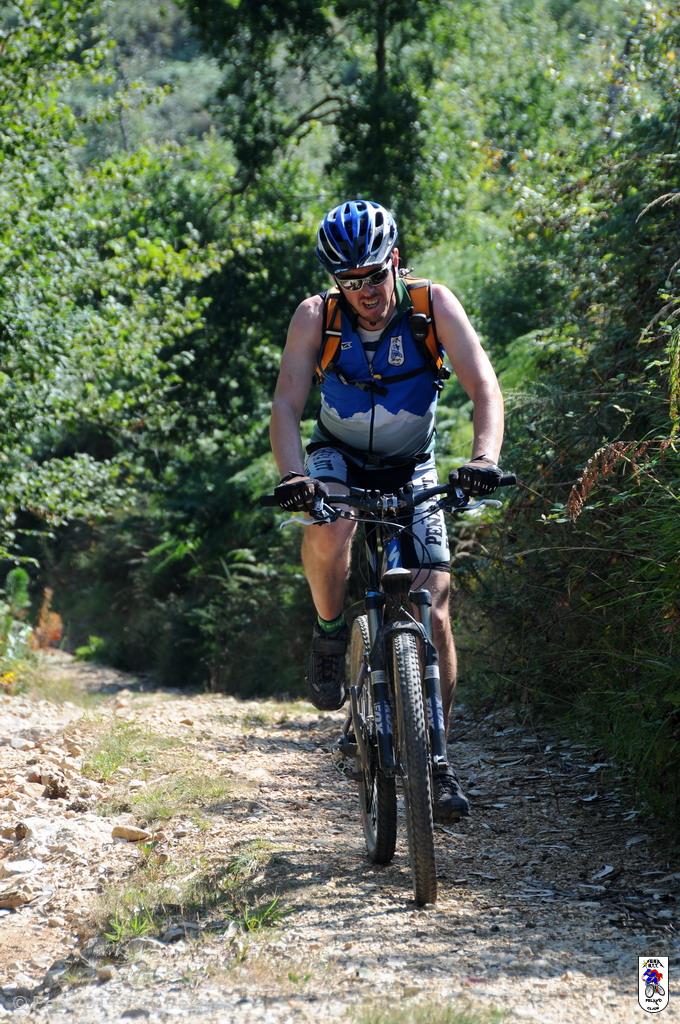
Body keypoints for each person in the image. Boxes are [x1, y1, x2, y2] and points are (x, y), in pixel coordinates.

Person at [269, 199, 504, 822]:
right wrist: (293, 475)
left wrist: (483, 458)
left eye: (374, 275)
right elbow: (287, 403)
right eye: (350, 281)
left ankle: (438, 761)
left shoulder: (432, 306)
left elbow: (484, 385)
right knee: (332, 526)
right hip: (338, 458)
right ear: (334, 281)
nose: (365, 292)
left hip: (411, 464)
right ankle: (329, 633)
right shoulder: (316, 317)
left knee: (436, 603)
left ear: (394, 260)